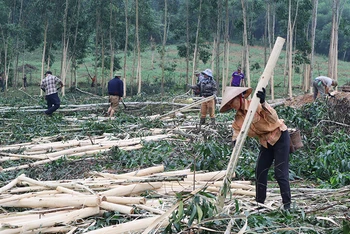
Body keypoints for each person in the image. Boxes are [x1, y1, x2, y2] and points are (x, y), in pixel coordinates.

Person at [220, 86, 291, 210]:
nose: (232, 105)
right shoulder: (239, 118)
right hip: (265, 142)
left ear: (240, 97)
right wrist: (235, 142)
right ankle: (260, 203)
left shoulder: (255, 105)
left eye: (233, 101)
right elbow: (237, 132)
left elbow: (273, 118)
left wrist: (263, 102)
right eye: (230, 104)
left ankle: (287, 205)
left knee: (280, 173)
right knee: (260, 171)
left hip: (279, 136)